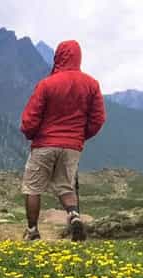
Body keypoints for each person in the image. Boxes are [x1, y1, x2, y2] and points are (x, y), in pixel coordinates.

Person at [20, 40, 106, 242]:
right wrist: (79, 136)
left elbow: (30, 118)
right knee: (65, 186)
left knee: (33, 187)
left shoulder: (47, 84)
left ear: (58, 57)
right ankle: (74, 216)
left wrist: (30, 133)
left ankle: (32, 231)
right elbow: (98, 118)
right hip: (72, 146)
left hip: (45, 143)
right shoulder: (91, 84)